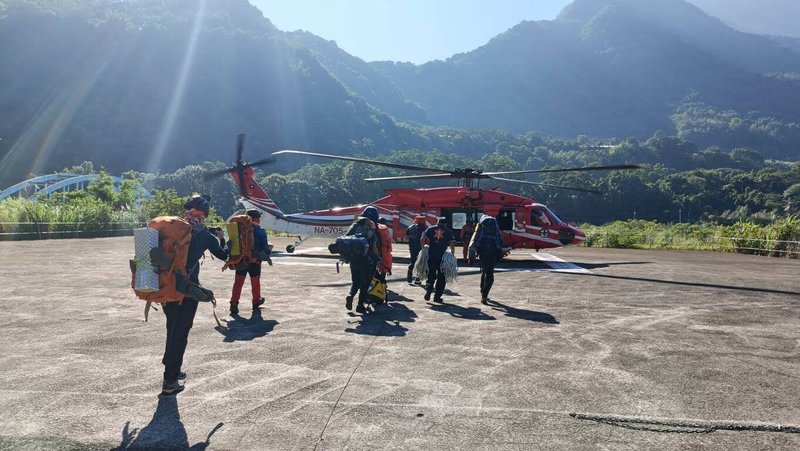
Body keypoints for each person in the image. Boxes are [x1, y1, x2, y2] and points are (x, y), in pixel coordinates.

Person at [161, 194, 228, 396]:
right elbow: (225, 255)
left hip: (165, 287)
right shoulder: (204, 235)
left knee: (172, 328)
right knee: (180, 334)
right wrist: (221, 238)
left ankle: (172, 367)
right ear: (203, 215)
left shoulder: (170, 228)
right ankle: (170, 380)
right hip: (187, 292)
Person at [229, 209, 272, 316]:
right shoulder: (260, 230)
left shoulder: (239, 229)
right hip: (255, 262)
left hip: (241, 260)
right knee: (255, 282)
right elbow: (266, 248)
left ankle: (234, 304)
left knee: (238, 283)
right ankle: (256, 301)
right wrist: (267, 254)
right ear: (256, 218)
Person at [345, 206, 380, 314]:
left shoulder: (354, 225)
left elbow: (347, 238)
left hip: (353, 259)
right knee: (364, 284)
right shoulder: (370, 227)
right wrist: (378, 259)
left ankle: (350, 295)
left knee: (355, 282)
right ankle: (360, 305)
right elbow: (374, 247)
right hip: (366, 261)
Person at [469, 214, 504, 305]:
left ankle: (482, 293)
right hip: (492, 253)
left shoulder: (480, 228)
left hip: (482, 253)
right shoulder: (495, 228)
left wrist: (471, 256)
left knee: (484, 272)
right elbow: (500, 241)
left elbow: (473, 241)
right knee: (490, 273)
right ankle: (485, 294)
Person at [421, 217, 456, 303]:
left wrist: (423, 249)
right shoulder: (448, 231)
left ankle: (429, 290)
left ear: (437, 222)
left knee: (431, 275)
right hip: (443, 258)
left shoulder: (430, 229)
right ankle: (437, 297)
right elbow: (452, 243)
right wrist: (452, 254)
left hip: (431, 256)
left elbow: (422, 239)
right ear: (446, 224)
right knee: (442, 278)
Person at [405, 215, 427, 284]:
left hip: (412, 248)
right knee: (421, 264)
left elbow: (406, 238)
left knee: (412, 262)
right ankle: (417, 279)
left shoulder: (410, 227)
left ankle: (409, 278)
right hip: (421, 249)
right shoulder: (425, 228)